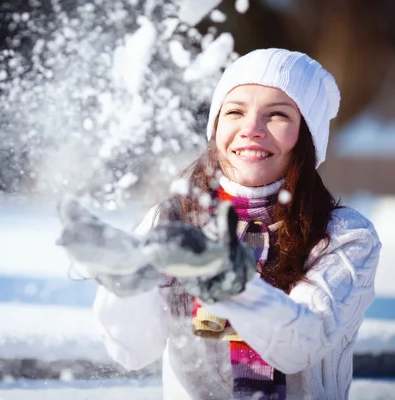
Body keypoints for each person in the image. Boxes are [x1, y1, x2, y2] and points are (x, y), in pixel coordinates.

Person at [56, 48, 381, 400]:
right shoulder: (173, 218)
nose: (251, 129)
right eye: (235, 112)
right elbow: (132, 350)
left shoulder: (344, 236)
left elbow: (301, 344)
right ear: (215, 126)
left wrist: (232, 286)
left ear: (307, 135)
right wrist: (127, 284)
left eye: (277, 115)